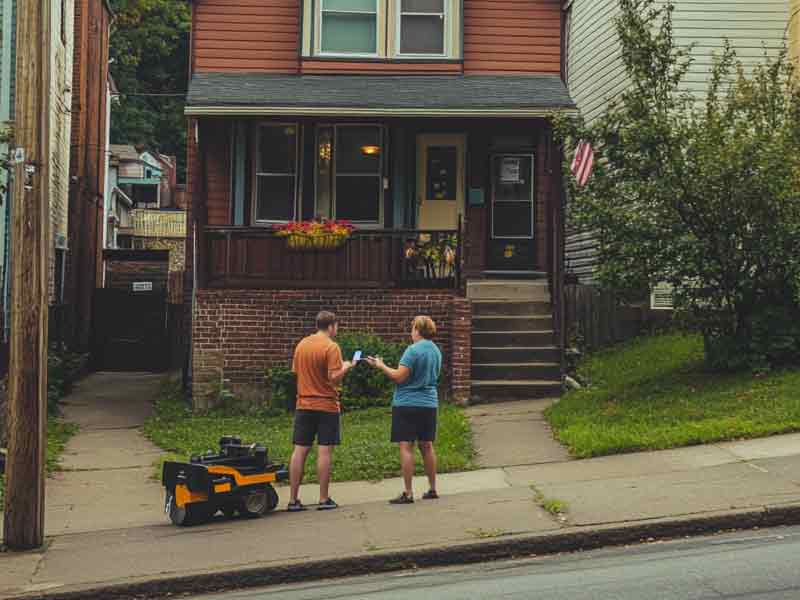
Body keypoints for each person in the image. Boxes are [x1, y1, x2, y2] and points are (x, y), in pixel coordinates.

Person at [367, 315, 442, 504]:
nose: (411, 332)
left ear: (418, 330)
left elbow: (399, 377)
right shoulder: (436, 351)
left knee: (406, 447)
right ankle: (432, 488)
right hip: (429, 403)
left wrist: (381, 365)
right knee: (427, 445)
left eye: (412, 328)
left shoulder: (412, 350)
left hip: (407, 403)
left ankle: (408, 493)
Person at [288, 310, 354, 512]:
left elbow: (296, 372)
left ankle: (293, 500)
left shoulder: (302, 345)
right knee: (324, 451)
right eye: (337, 326)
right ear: (332, 326)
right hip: (326, 405)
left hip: (303, 404)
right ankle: (323, 499)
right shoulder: (331, 347)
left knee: (300, 450)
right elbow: (334, 378)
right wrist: (347, 366)